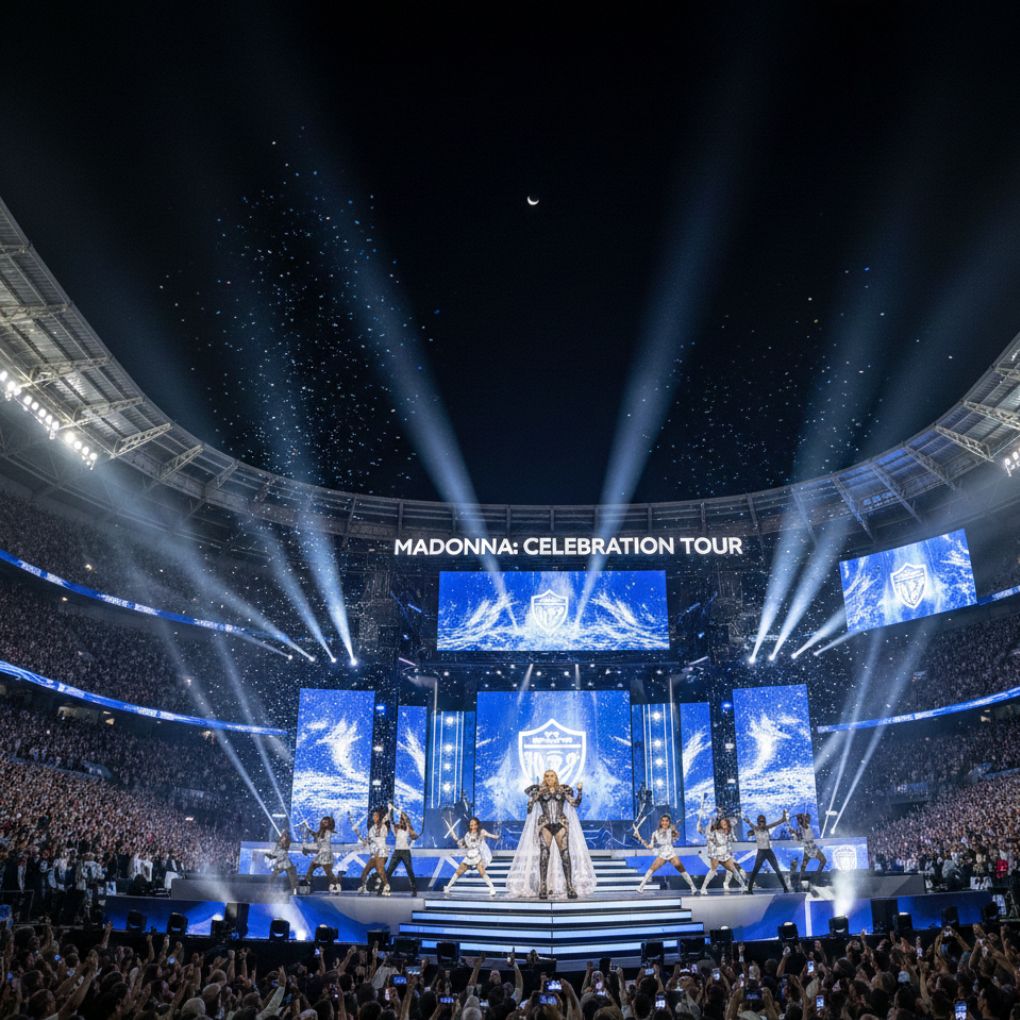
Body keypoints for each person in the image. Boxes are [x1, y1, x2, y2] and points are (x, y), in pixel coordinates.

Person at [505, 768, 598, 900]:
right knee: (544, 854)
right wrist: (532, 799)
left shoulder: (563, 790)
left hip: (560, 824)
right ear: (544, 778)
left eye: (552, 776)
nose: (549, 778)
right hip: (545, 824)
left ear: (556, 777)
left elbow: (575, 803)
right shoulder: (540, 791)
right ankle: (543, 886)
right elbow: (530, 809)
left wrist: (580, 791)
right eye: (547, 776)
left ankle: (569, 886)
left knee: (565, 854)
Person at [634, 813, 697, 893]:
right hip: (662, 854)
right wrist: (640, 839)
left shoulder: (671, 830)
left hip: (671, 853)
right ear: (660, 822)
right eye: (663, 821)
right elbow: (650, 847)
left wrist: (675, 828)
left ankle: (693, 887)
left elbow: (676, 835)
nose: (665, 822)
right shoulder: (655, 833)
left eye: (666, 821)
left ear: (669, 822)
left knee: (681, 868)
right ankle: (641, 887)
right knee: (651, 869)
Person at [444, 816, 499, 896]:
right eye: (471, 825)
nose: (473, 827)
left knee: (481, 871)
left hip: (478, 854)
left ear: (477, 825)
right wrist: (458, 841)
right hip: (469, 855)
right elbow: (465, 845)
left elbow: (490, 835)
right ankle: (448, 887)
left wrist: (496, 836)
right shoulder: (467, 835)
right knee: (459, 871)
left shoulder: (481, 832)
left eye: (474, 824)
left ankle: (492, 888)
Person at [697, 812, 747, 894]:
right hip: (715, 853)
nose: (723, 824)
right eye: (722, 823)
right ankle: (703, 888)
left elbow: (730, 841)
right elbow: (708, 836)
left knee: (733, 869)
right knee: (713, 870)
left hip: (725, 854)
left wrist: (730, 850)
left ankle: (743, 886)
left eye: (725, 823)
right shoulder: (716, 831)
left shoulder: (729, 832)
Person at [742, 809, 791, 893]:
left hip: (768, 852)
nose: (763, 823)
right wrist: (746, 820)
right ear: (758, 822)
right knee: (755, 871)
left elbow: (778, 822)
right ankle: (749, 889)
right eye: (761, 821)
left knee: (777, 869)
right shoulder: (755, 829)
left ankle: (785, 888)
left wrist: (784, 817)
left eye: (764, 821)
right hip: (761, 852)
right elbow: (749, 823)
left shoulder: (767, 828)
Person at [353, 808, 392, 896]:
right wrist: (357, 833)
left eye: (376, 816)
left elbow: (380, 836)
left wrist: (389, 811)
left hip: (381, 852)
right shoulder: (372, 828)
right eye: (373, 815)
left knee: (380, 870)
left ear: (379, 817)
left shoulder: (383, 827)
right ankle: (364, 887)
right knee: (365, 872)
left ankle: (386, 887)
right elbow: (365, 841)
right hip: (374, 854)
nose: (374, 817)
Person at [385, 803, 420, 895]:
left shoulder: (408, 828)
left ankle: (414, 889)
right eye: (401, 819)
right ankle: (382, 888)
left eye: (402, 819)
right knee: (389, 870)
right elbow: (390, 819)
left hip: (405, 852)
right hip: (397, 852)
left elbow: (415, 836)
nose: (401, 820)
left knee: (409, 870)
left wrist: (401, 812)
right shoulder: (396, 828)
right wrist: (390, 809)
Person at [300, 815, 337, 889]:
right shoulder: (322, 832)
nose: (323, 823)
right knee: (313, 867)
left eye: (326, 822)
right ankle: (307, 881)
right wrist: (308, 829)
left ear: (329, 824)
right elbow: (316, 836)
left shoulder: (327, 832)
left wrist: (309, 846)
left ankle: (336, 885)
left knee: (328, 872)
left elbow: (319, 839)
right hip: (322, 853)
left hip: (325, 854)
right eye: (323, 822)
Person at [791, 812, 826, 881]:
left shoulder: (800, 828)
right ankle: (816, 877)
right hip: (811, 847)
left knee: (804, 865)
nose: (808, 819)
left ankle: (800, 879)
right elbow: (803, 829)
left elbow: (798, 840)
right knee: (823, 860)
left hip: (807, 849)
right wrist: (794, 833)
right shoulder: (804, 826)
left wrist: (794, 833)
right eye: (806, 818)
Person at [265, 829, 298, 894]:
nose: (284, 837)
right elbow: (275, 853)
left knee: (292, 875)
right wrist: (270, 855)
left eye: (285, 836)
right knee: (274, 875)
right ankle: (268, 888)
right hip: (280, 863)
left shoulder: (286, 843)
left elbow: (283, 850)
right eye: (283, 836)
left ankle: (294, 890)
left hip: (285, 862)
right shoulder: (278, 844)